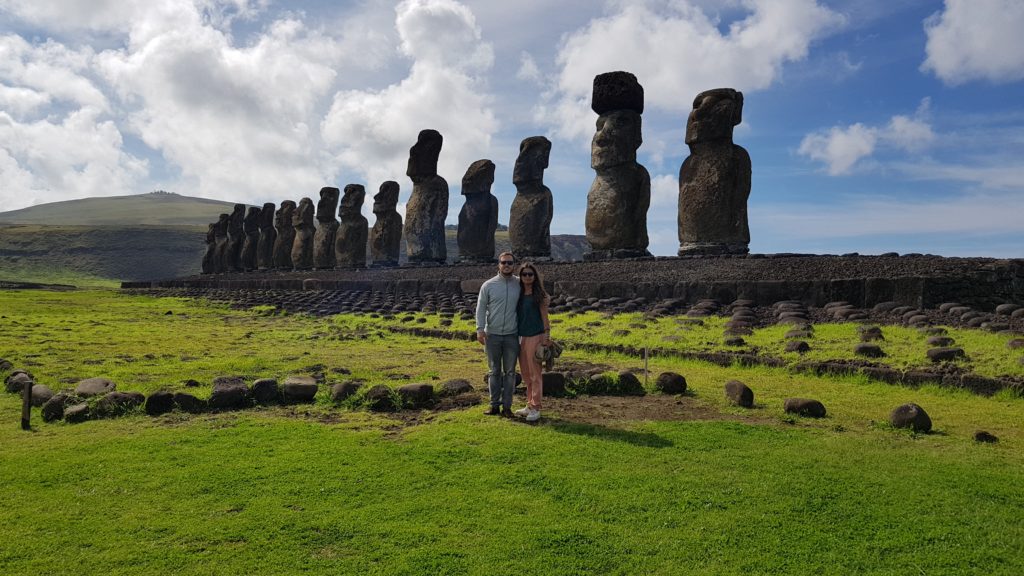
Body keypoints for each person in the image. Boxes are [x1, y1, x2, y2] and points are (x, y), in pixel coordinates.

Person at [475, 251, 521, 417]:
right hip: (492, 334)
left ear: (514, 265)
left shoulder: (520, 284)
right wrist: (480, 329)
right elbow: (480, 308)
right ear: (498, 265)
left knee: (510, 372)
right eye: (503, 263)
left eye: (509, 263)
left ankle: (507, 407)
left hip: (512, 335)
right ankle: (494, 405)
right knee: (494, 371)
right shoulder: (488, 285)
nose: (506, 265)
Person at [514, 262, 551, 422]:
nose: (527, 277)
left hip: (535, 336)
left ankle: (536, 407)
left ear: (535, 276)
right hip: (521, 336)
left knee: (536, 374)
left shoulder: (540, 295)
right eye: (524, 274)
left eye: (530, 274)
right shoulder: (518, 293)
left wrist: (546, 336)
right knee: (526, 374)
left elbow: (544, 316)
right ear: (520, 277)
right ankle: (529, 404)